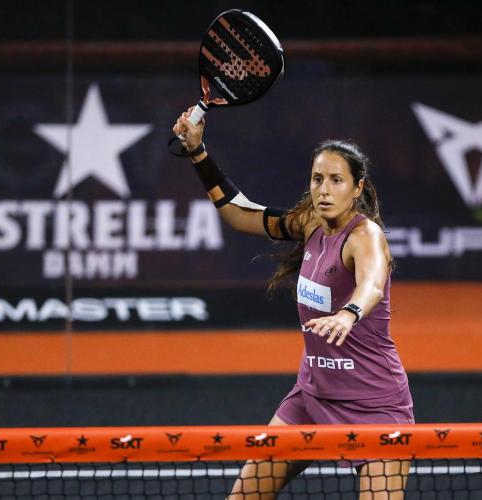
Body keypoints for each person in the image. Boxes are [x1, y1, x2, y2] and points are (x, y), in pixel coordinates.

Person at [173, 109, 414, 500]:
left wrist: (349, 313)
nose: (324, 190)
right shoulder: (309, 223)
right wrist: (198, 154)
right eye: (318, 179)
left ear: (357, 188)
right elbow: (240, 214)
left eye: (336, 180)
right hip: (312, 396)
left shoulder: (365, 236)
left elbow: (371, 283)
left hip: (375, 404)